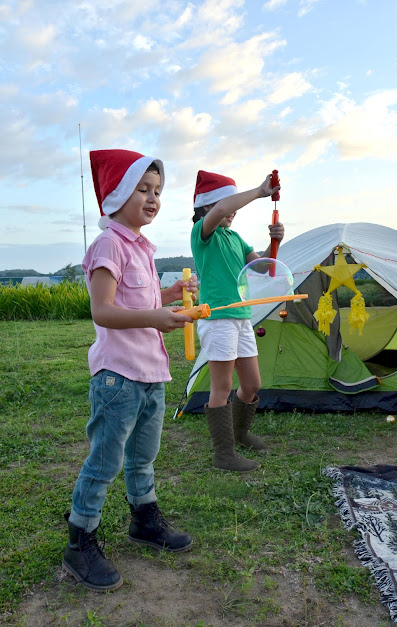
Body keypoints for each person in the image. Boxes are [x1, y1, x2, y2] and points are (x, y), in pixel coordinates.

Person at [62, 149, 197, 592]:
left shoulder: (142, 248)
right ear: (118, 194)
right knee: (105, 461)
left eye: (157, 190)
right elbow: (103, 311)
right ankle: (80, 540)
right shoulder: (109, 245)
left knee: (143, 457)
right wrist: (156, 317)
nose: (153, 198)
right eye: (143, 189)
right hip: (118, 378)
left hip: (151, 374)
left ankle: (144, 519)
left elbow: (141, 300)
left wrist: (170, 293)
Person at [191, 170, 284, 472]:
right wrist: (258, 191)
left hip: (242, 317)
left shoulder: (236, 238)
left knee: (253, 383)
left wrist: (275, 242)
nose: (232, 211)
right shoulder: (203, 234)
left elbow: (263, 268)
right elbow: (221, 210)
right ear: (206, 206)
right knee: (221, 387)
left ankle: (240, 433)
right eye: (226, 203)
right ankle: (223, 454)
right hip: (217, 318)